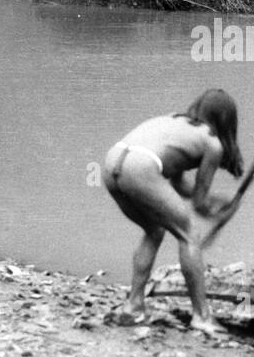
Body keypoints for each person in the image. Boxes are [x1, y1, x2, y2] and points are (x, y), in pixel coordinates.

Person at [103, 89, 244, 332]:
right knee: (189, 235)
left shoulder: (174, 120)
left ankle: (133, 307)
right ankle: (201, 316)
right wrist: (218, 210)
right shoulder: (213, 143)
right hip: (141, 167)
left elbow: (179, 185)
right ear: (228, 121)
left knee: (154, 229)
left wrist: (218, 200)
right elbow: (199, 204)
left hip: (112, 162)